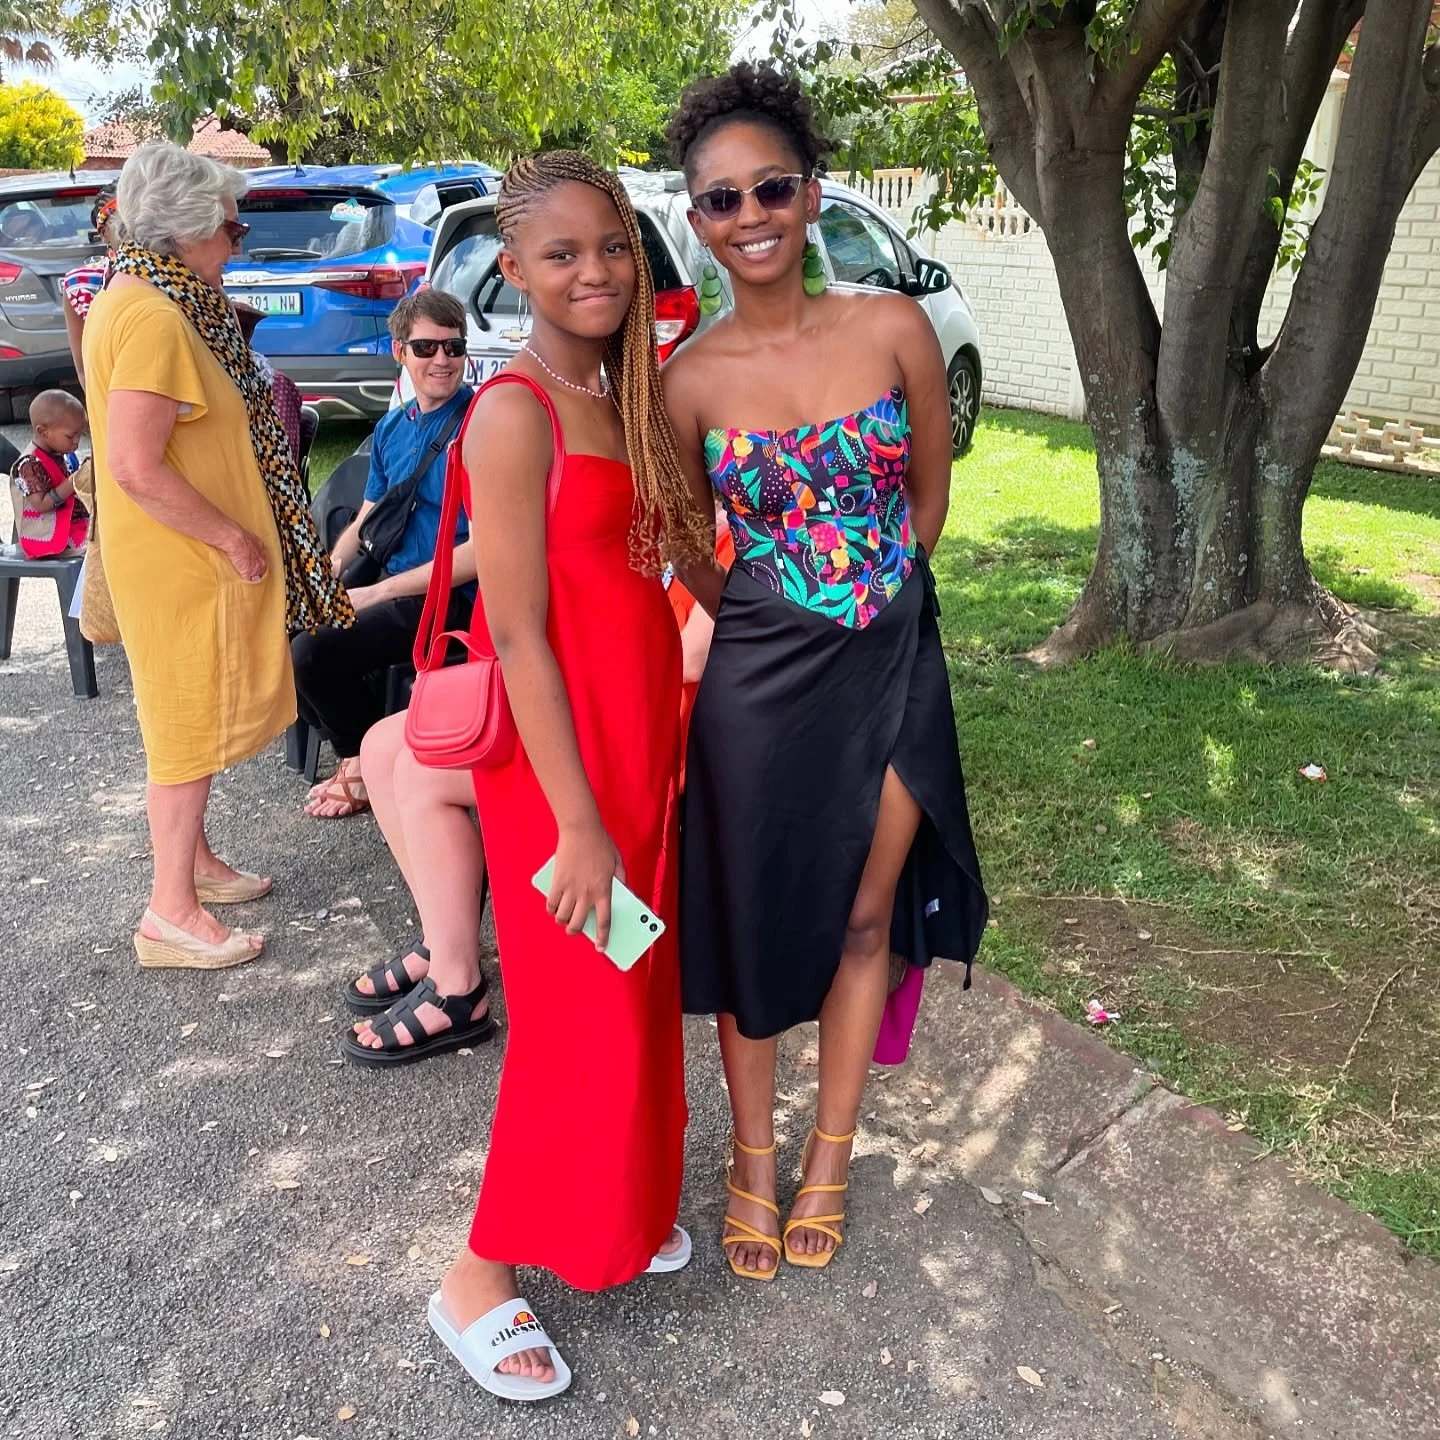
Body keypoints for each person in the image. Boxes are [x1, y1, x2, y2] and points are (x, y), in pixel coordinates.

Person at [663, 64, 990, 1278]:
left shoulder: (892, 327)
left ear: (811, 196)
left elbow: (928, 502)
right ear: (695, 220)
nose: (748, 217)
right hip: (758, 685)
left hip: (896, 658)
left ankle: (830, 1156)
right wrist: (763, 617)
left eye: (770, 189)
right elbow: (690, 544)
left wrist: (869, 605)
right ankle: (753, 1158)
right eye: (720, 200)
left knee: (864, 916)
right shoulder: (686, 379)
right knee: (756, 927)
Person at [419, 150, 712, 1404]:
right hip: (563, 764)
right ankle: (476, 1279)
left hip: (639, 731)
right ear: (514, 272)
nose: (593, 270)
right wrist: (579, 823)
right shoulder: (515, 411)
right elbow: (523, 631)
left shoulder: (629, 391)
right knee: (573, 1017)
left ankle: (623, 1205)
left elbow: (685, 563)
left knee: (635, 984)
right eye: (560, 253)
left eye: (612, 246)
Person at [84, 142, 351, 971]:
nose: (238, 241)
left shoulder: (139, 295)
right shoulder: (159, 317)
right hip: (184, 562)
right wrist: (234, 536)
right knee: (184, 730)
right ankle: (170, 910)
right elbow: (133, 465)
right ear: (188, 231)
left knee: (184, 720)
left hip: (171, 558)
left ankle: (193, 865)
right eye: (230, 226)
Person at [292, 289, 475, 820]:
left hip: (453, 595)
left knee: (313, 653)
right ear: (399, 352)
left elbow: (482, 554)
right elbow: (368, 517)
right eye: (426, 348)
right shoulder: (394, 426)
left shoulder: (480, 421)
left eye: (453, 347)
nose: (441, 360)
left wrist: (375, 591)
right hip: (395, 577)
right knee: (289, 625)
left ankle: (360, 762)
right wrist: (328, 572)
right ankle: (376, 748)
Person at [8, 389, 89, 559]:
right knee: (98, 546)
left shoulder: (61, 452)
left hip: (74, 524)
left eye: (79, 436)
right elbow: (42, 504)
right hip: (49, 533)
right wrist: (74, 480)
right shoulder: (28, 465)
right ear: (44, 432)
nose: (76, 442)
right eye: (71, 436)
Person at [62, 189, 121, 392]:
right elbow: (85, 370)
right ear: (104, 233)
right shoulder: (83, 285)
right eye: (126, 223)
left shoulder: (185, 275)